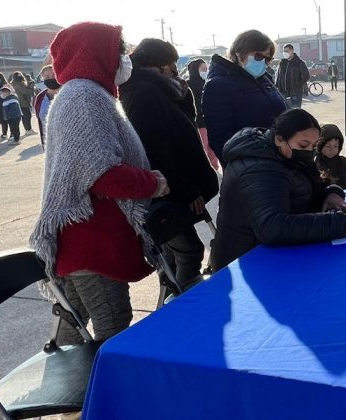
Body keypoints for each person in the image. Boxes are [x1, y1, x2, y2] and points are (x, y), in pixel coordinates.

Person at [30, 22, 169, 344]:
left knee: (73, 326)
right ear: (94, 53)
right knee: (113, 327)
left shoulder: (88, 94)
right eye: (118, 51)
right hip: (92, 242)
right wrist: (153, 183)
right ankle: (101, 392)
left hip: (88, 238)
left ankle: (72, 391)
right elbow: (102, 175)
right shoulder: (84, 97)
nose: (124, 58)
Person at [209, 109, 346, 270]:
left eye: (314, 146)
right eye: (303, 144)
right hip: (246, 262)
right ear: (279, 139)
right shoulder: (258, 168)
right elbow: (274, 227)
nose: (309, 151)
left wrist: (330, 193)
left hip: (276, 256)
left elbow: (308, 187)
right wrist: (342, 225)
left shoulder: (285, 154)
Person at [120, 39, 220, 288]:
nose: (175, 69)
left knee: (175, 254)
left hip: (175, 185)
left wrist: (184, 98)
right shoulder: (143, 92)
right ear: (158, 65)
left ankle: (172, 296)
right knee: (189, 251)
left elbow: (180, 123)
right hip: (170, 189)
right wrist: (183, 188)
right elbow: (154, 146)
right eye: (172, 63)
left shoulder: (156, 88)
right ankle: (183, 305)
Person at [202, 30, 287, 165]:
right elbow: (220, 140)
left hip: (281, 158)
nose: (263, 62)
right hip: (253, 168)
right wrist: (249, 165)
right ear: (239, 53)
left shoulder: (264, 79)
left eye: (268, 58)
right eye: (258, 56)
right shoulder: (218, 85)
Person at [186, 58, 221, 171]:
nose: (205, 71)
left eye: (206, 69)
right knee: (204, 149)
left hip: (210, 122)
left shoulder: (208, 83)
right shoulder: (188, 85)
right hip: (198, 123)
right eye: (203, 69)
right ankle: (207, 171)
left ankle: (215, 170)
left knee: (212, 149)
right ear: (195, 70)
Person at [315, 124, 346, 190]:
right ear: (320, 146)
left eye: (335, 146)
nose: (332, 149)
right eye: (328, 146)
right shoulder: (314, 164)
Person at [33, 65, 61, 149]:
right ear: (42, 79)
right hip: (49, 143)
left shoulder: (67, 93)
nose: (51, 78)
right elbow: (40, 120)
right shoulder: (40, 97)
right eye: (47, 77)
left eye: (54, 76)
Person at [276, 43, 310, 108]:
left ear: (292, 51)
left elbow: (306, 76)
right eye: (284, 51)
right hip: (283, 92)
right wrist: (277, 86)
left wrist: (298, 85)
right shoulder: (282, 62)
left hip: (295, 93)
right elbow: (278, 76)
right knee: (284, 112)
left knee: (295, 112)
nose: (285, 53)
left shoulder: (299, 62)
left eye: (287, 51)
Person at [10, 71, 36, 135]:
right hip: (22, 102)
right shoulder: (18, 84)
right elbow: (25, 91)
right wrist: (31, 88)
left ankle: (27, 129)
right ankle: (28, 129)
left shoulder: (14, 83)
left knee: (25, 116)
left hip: (20, 102)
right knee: (27, 116)